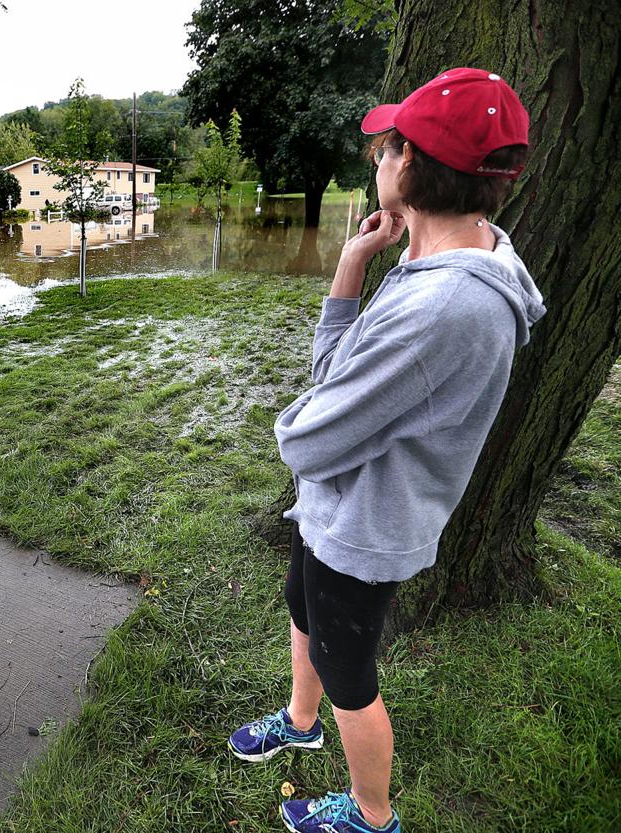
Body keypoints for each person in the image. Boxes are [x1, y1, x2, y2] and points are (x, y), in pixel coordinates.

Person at [226, 68, 547, 832]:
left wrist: (305, 420)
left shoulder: (446, 304)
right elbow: (340, 380)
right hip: (339, 505)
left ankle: (372, 816)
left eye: (385, 150)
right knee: (300, 603)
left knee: (349, 670)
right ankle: (299, 722)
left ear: (408, 165)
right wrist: (351, 266)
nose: (376, 163)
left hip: (368, 521)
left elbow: (307, 433)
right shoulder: (444, 259)